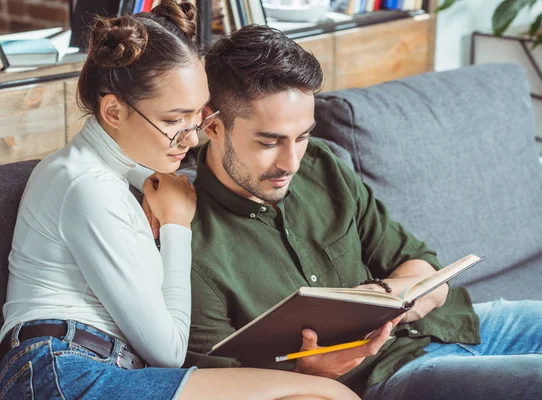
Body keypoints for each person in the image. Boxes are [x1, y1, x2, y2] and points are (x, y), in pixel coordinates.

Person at [181, 25, 542, 399]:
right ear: (212, 125)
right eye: (270, 141)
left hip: (457, 324)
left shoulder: (321, 166)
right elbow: (221, 385)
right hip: (391, 375)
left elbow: (425, 269)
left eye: (303, 136)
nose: (291, 162)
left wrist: (383, 296)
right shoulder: (191, 242)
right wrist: (308, 372)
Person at [0, 3, 359, 399]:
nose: (191, 139)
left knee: (323, 394)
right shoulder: (88, 186)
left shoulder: (115, 176)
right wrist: (176, 227)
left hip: (95, 367)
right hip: (64, 371)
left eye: (195, 118)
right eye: (174, 121)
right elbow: (169, 351)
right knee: (328, 395)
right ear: (114, 110)